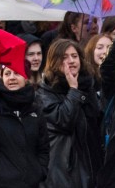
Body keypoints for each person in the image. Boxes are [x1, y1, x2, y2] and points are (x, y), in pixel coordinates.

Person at [35, 38, 102, 188]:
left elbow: (95, 117)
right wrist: (73, 90)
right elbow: (64, 121)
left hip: (91, 159)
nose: (71, 61)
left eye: (74, 56)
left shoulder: (87, 83)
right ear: (54, 61)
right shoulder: (45, 92)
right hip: (64, 168)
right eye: (64, 57)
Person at [0, 64, 48, 188]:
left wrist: (39, 172)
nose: (11, 77)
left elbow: (43, 147)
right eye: (7, 73)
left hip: (30, 183)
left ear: (26, 77)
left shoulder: (35, 107)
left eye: (16, 73)